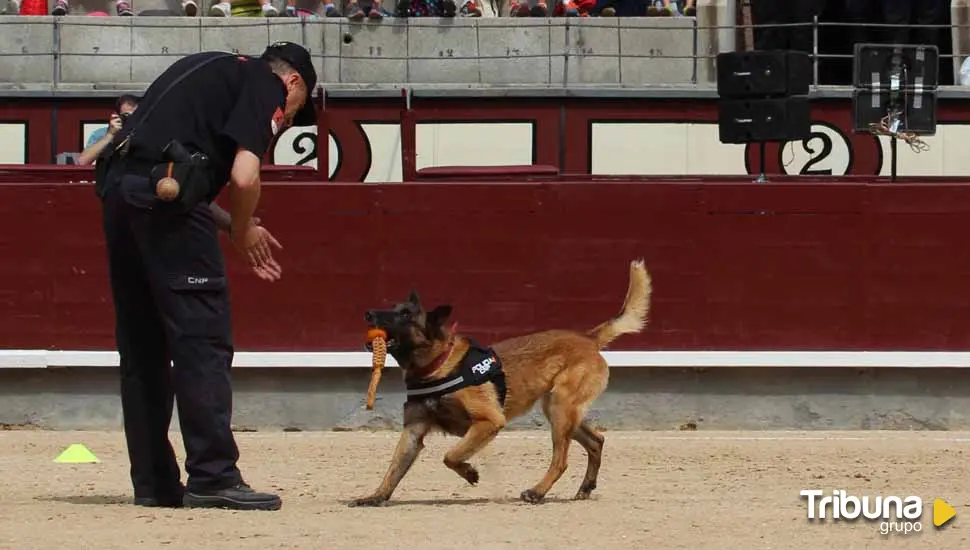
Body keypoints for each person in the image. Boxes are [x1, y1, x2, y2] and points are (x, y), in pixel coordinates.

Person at [94, 42, 318, 511]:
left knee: (142, 347)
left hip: (122, 197)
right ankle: (213, 476)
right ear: (293, 82)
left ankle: (154, 482)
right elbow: (243, 176)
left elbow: (168, 171)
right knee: (201, 342)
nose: (291, 119)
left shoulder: (205, 66)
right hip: (165, 209)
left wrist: (234, 225)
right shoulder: (267, 84)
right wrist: (241, 227)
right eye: (296, 111)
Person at [78, 95, 139, 167]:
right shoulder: (101, 134)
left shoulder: (147, 133)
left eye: (135, 116)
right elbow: (82, 162)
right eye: (126, 115)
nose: (131, 120)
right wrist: (110, 135)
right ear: (117, 115)